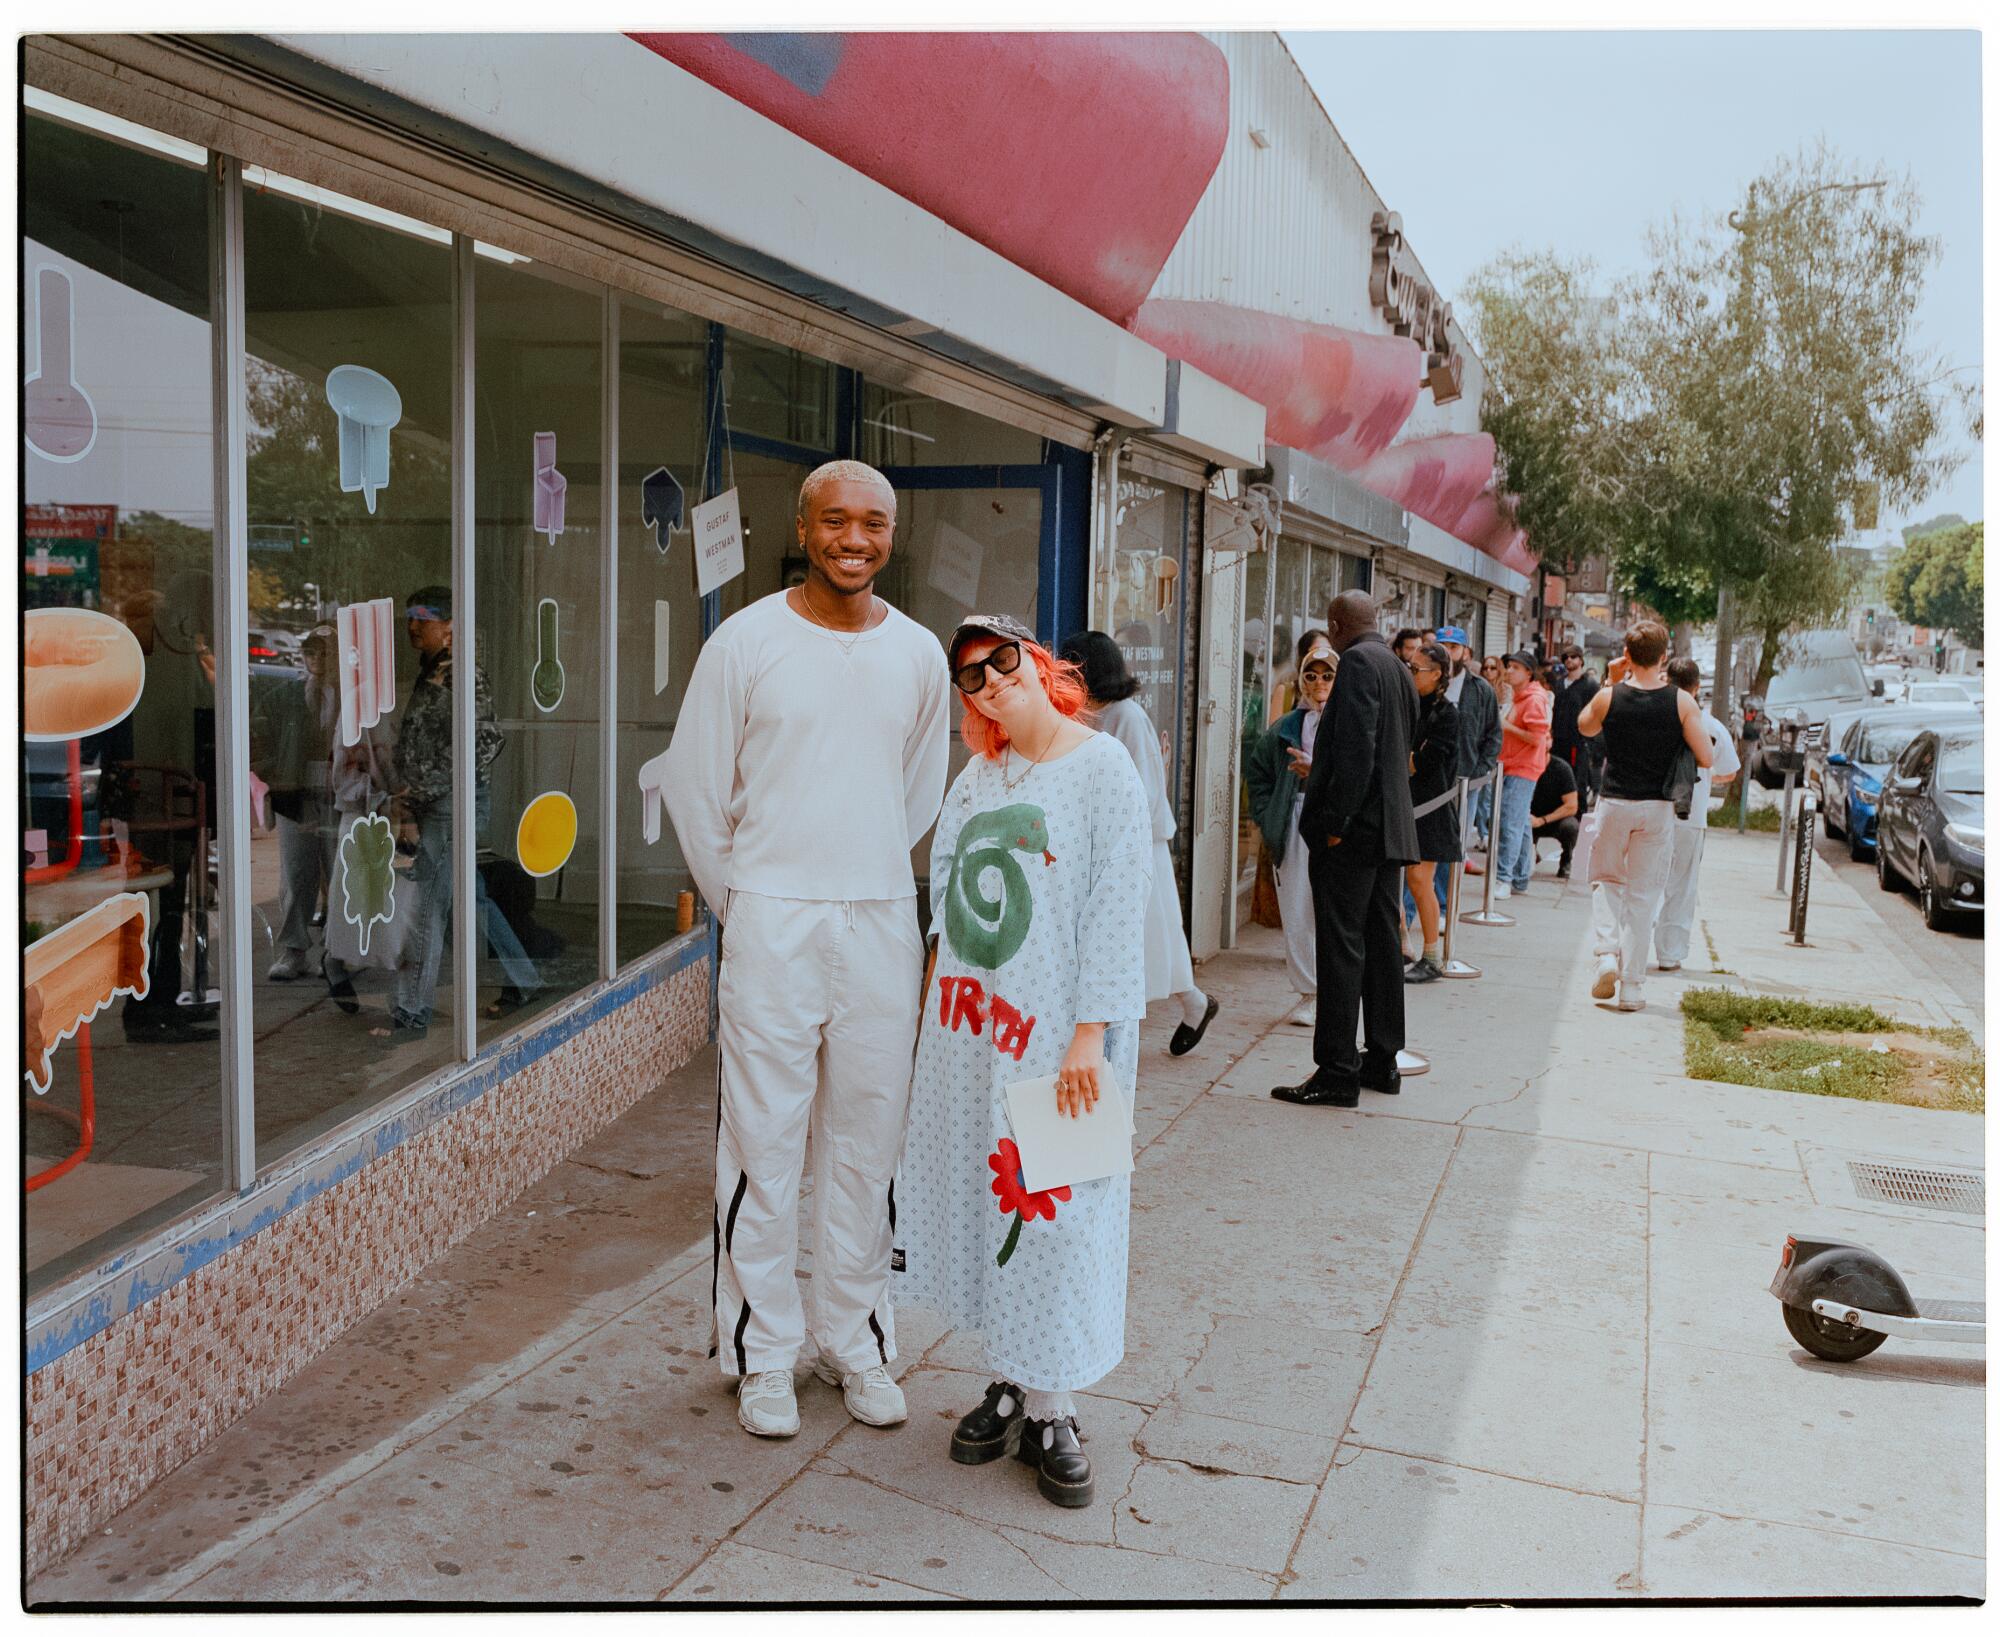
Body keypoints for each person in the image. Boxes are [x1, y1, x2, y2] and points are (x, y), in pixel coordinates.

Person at [660, 459, 951, 1440]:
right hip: (772, 916)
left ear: (890, 532)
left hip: (876, 914)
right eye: (835, 520)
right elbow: (698, 795)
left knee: (867, 1141)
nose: (854, 539)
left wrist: (860, 866)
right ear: (803, 524)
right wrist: (748, 904)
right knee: (763, 1140)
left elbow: (916, 790)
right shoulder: (744, 643)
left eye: (872, 522)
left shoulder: (916, 653)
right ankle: (762, 1352)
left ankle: (855, 1339)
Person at [895, 614, 1152, 1510]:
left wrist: (1092, 1033)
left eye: (1002, 661)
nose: (991, 681)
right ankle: (1008, 1378)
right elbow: (947, 909)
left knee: (1060, 1213)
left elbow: (1120, 904)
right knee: (984, 1202)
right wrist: (931, 1009)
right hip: (975, 1032)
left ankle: (1055, 1403)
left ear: (1039, 665)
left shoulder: (1103, 766)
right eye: (971, 676)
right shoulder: (979, 776)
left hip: (1066, 1040)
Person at [372, 586, 542, 1040]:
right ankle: (525, 979)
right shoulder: (435, 672)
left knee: (430, 907)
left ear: (449, 626)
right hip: (437, 802)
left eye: (423, 619)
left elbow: (486, 741)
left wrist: (423, 787)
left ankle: (412, 1011)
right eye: (409, 617)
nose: (412, 627)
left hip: (452, 805)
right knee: (471, 898)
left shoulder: (464, 674)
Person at [1272, 591, 1419, 1108]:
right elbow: (1400, 743)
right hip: (1386, 831)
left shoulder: (1357, 661)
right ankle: (1382, 1059)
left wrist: (1334, 821)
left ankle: (1336, 1069)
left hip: (1355, 832)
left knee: (1341, 947)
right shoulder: (1398, 666)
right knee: (1380, 944)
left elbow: (1357, 750)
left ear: (1336, 624)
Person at [1059, 631, 1217, 1054]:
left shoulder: (1126, 715)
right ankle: (1194, 1005)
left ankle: (1119, 1038)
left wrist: (1113, 841)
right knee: (1154, 937)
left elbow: (1144, 790)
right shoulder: (1089, 714)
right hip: (1111, 845)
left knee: (1144, 938)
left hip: (1137, 846)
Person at [1576, 621, 1714, 1011]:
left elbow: (1584, 726)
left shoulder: (1610, 697)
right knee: (1643, 895)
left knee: (1604, 879)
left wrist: (1609, 681)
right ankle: (1633, 987)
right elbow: (1705, 757)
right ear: (1664, 657)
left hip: (1615, 801)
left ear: (1627, 654)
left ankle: (1606, 953)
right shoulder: (1681, 702)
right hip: (1658, 807)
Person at [1244, 634, 1335, 1025]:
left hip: (1335, 820)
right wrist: (1269, 815)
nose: (1319, 685)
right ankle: (1308, 991)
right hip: (1295, 815)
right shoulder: (1287, 727)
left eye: (1328, 676)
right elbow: (1258, 771)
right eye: (1311, 676)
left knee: (1331, 908)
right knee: (1297, 907)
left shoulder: (1350, 722)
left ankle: (1335, 990)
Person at [1652, 657, 1740, 971]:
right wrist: (1702, 776)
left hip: (1653, 810)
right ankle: (1670, 953)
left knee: (1646, 880)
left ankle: (1631, 946)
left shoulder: (1655, 718)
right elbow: (1729, 772)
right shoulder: (1712, 726)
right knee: (1681, 885)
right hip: (1691, 817)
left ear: (1667, 681)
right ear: (1697, 686)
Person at [1402, 641, 1460, 983]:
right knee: (1399, 877)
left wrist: (1409, 759)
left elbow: (1422, 763)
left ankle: (1432, 956)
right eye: (1409, 667)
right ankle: (1404, 946)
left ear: (1437, 675)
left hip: (1431, 808)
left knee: (1420, 880)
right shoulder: (1412, 705)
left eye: (1416, 670)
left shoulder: (1446, 714)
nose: (1411, 674)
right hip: (1407, 804)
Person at [1438, 625, 1499, 888]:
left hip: (1466, 778)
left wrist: (1480, 771)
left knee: (1454, 843)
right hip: (1431, 776)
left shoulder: (1481, 689)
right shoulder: (1426, 682)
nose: (1448, 653)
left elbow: (1493, 734)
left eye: (1453, 648)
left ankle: (1443, 904)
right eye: (1443, 647)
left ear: (1465, 652)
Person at [1493, 651, 1551, 897]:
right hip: (1517, 765)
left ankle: (1504, 877)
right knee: (1520, 823)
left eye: (1515, 667)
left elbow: (1537, 738)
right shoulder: (1521, 697)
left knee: (1511, 823)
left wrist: (1508, 727)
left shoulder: (1533, 699)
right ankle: (1519, 877)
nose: (1509, 671)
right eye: (1509, 666)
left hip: (1522, 766)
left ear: (1528, 672)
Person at [1552, 647, 1605, 812]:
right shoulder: (1559, 683)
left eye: (1573, 657)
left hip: (1578, 743)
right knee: (1558, 780)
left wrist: (1593, 743)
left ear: (1581, 660)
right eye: (1565, 657)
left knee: (1577, 782)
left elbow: (1597, 714)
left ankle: (1578, 820)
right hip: (1557, 742)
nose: (1569, 660)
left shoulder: (1590, 685)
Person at [1528, 755, 1581, 878]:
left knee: (1570, 827)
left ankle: (1566, 861)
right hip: (1529, 816)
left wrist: (1543, 820)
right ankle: (1528, 855)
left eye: (1546, 738)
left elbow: (1572, 806)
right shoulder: (1523, 764)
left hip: (1555, 819)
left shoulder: (1562, 769)